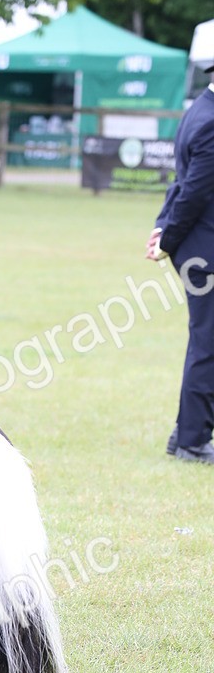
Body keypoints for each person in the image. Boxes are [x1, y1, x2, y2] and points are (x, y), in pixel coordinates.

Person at [147, 64, 214, 465]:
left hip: (194, 244)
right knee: (208, 345)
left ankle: (185, 432)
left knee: (205, 341)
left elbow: (180, 181)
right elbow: (192, 192)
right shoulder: (209, 120)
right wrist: (167, 237)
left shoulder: (198, 109)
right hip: (204, 250)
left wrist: (161, 228)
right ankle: (192, 440)